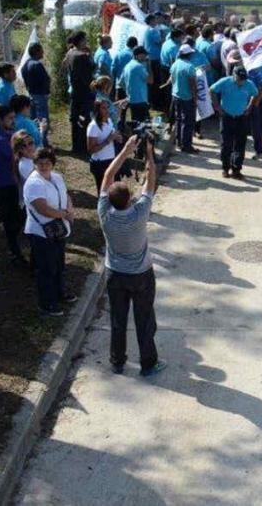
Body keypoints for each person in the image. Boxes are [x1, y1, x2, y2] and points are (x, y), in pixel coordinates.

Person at [98, 136, 164, 376]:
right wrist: (148, 153)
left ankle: (117, 361)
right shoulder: (139, 214)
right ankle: (148, 363)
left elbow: (107, 176)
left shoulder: (104, 214)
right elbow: (150, 180)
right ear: (129, 200)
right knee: (144, 320)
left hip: (115, 274)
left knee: (118, 319)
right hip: (142, 275)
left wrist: (125, 151)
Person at [23, 148, 76, 317]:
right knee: (46, 269)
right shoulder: (33, 183)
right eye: (40, 163)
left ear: (53, 164)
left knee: (59, 265)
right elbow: (42, 208)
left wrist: (70, 209)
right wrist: (64, 214)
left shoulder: (57, 177)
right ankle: (47, 304)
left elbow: (65, 195)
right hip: (41, 232)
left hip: (58, 229)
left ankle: (60, 293)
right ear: (35, 164)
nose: (44, 166)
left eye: (48, 163)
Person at [0, 105, 26, 265]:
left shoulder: (5, 133)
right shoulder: (0, 140)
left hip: (11, 182)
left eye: (13, 117)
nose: (13, 121)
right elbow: (16, 159)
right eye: (10, 118)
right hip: (6, 186)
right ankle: (14, 253)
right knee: (11, 222)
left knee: (17, 218)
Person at [210, 66, 258, 179]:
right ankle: (225, 168)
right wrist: (217, 107)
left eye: (243, 79)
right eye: (239, 78)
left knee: (240, 144)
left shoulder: (249, 84)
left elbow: (255, 94)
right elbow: (211, 90)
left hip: (241, 117)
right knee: (226, 144)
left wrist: (250, 106)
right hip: (227, 116)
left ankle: (236, 169)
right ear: (233, 75)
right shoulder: (225, 82)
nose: (241, 81)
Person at [64, 31, 96, 154]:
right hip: (85, 92)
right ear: (81, 41)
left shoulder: (70, 53)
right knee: (84, 119)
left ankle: (76, 147)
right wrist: (90, 55)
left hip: (75, 91)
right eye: (85, 40)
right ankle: (84, 148)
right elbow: (91, 70)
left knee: (75, 120)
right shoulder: (82, 56)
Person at [167, 45, 199, 154]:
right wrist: (195, 98)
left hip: (176, 96)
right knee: (188, 121)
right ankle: (186, 145)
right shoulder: (190, 66)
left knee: (179, 119)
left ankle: (179, 142)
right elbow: (192, 84)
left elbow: (172, 78)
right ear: (188, 54)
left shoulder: (175, 64)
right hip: (187, 98)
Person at [87, 99, 122, 190]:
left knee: (116, 191)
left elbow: (112, 136)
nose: (107, 110)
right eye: (103, 108)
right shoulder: (93, 126)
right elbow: (91, 150)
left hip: (112, 160)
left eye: (107, 107)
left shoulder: (109, 121)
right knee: (104, 192)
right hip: (100, 164)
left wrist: (117, 138)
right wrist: (108, 140)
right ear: (97, 110)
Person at [20, 43, 51, 122]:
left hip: (31, 95)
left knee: (34, 120)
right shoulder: (37, 65)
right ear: (36, 52)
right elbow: (45, 79)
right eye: (41, 50)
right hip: (40, 95)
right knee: (43, 120)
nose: (43, 52)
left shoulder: (25, 65)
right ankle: (42, 134)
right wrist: (47, 92)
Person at [121, 46, 153, 123]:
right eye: (144, 55)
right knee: (143, 126)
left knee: (136, 124)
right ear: (138, 55)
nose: (146, 57)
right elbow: (150, 80)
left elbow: (121, 83)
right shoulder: (139, 66)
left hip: (131, 100)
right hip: (140, 100)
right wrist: (149, 65)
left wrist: (129, 93)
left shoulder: (127, 66)